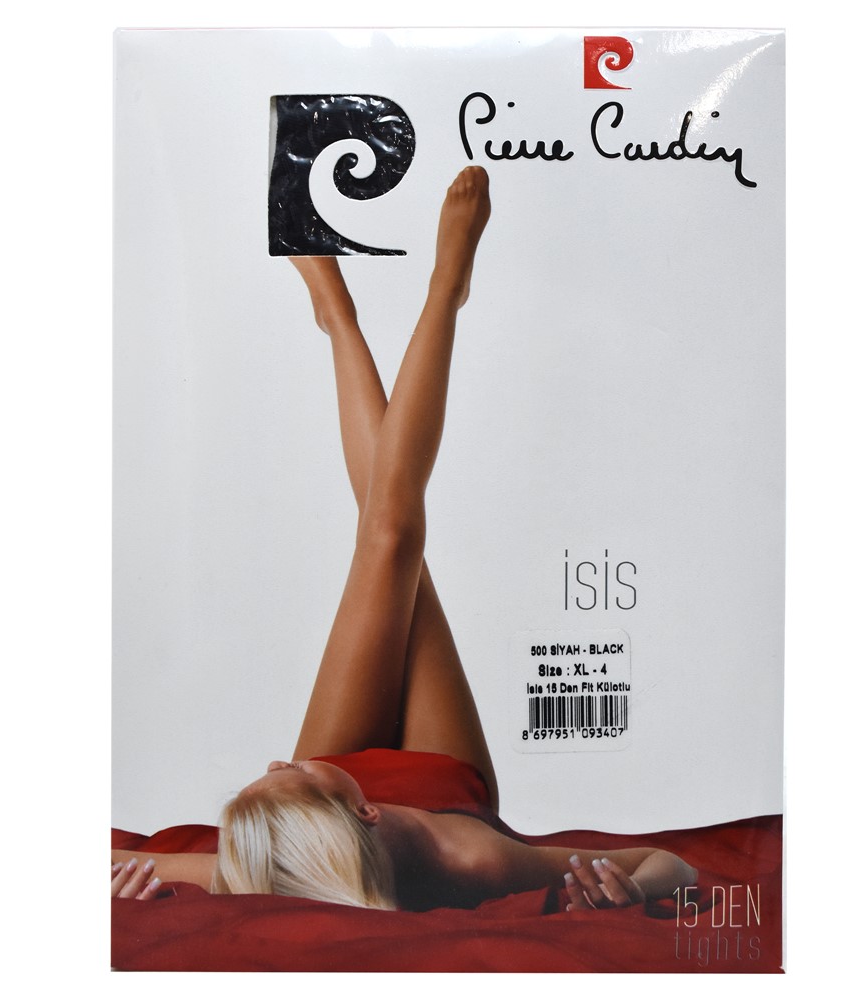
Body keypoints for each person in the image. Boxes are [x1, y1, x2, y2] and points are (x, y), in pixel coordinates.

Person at [112, 167, 697, 912]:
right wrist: (630, 890)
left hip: (326, 802)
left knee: (388, 536)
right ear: (366, 810)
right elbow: (671, 864)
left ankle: (339, 315)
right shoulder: (474, 859)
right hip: (445, 781)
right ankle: (439, 292)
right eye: (294, 771)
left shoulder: (267, 863)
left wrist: (125, 883)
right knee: (391, 535)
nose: (281, 759)